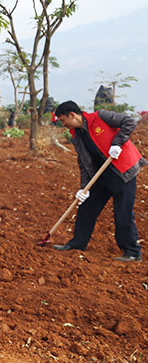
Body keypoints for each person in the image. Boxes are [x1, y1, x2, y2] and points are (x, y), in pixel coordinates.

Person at [52, 100, 145, 261]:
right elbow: (83, 162)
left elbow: (129, 121)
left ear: (72, 115)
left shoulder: (101, 117)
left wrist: (117, 143)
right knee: (86, 208)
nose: (63, 124)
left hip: (123, 172)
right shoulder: (76, 136)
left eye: (63, 120)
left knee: (122, 213)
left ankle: (132, 252)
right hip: (102, 176)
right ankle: (77, 244)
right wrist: (84, 188)